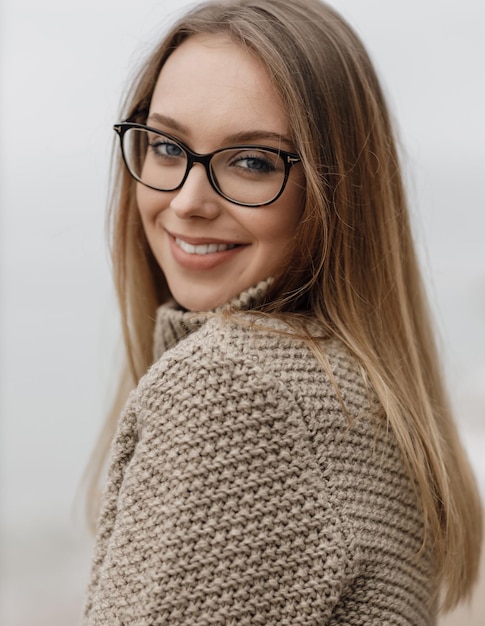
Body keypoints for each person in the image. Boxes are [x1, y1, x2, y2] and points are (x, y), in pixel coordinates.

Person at [83, 0, 483, 624]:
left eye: (253, 162)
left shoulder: (236, 390)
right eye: (165, 145)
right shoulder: (355, 389)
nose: (188, 201)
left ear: (335, 189)